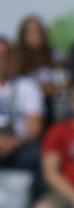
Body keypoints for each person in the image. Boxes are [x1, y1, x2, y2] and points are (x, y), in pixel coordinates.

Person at [0, 35, 45, 174]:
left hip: (20, 144)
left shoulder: (27, 86)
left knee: (35, 156)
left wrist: (13, 143)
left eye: (5, 55)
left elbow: (35, 127)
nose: (2, 61)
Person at [14, 16, 65, 124]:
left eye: (39, 31)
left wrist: (48, 89)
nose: (36, 36)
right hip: (26, 108)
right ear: (23, 36)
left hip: (52, 104)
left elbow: (62, 85)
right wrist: (44, 89)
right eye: (32, 32)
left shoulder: (53, 55)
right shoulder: (17, 58)